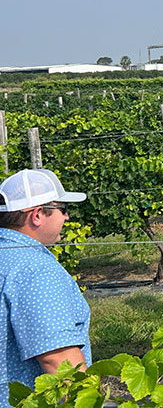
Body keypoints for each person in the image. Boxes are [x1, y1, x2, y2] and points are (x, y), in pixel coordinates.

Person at [0, 169, 90, 403]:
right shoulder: (35, 269)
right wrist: (87, 400)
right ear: (37, 215)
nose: (67, 218)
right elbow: (58, 359)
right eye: (63, 209)